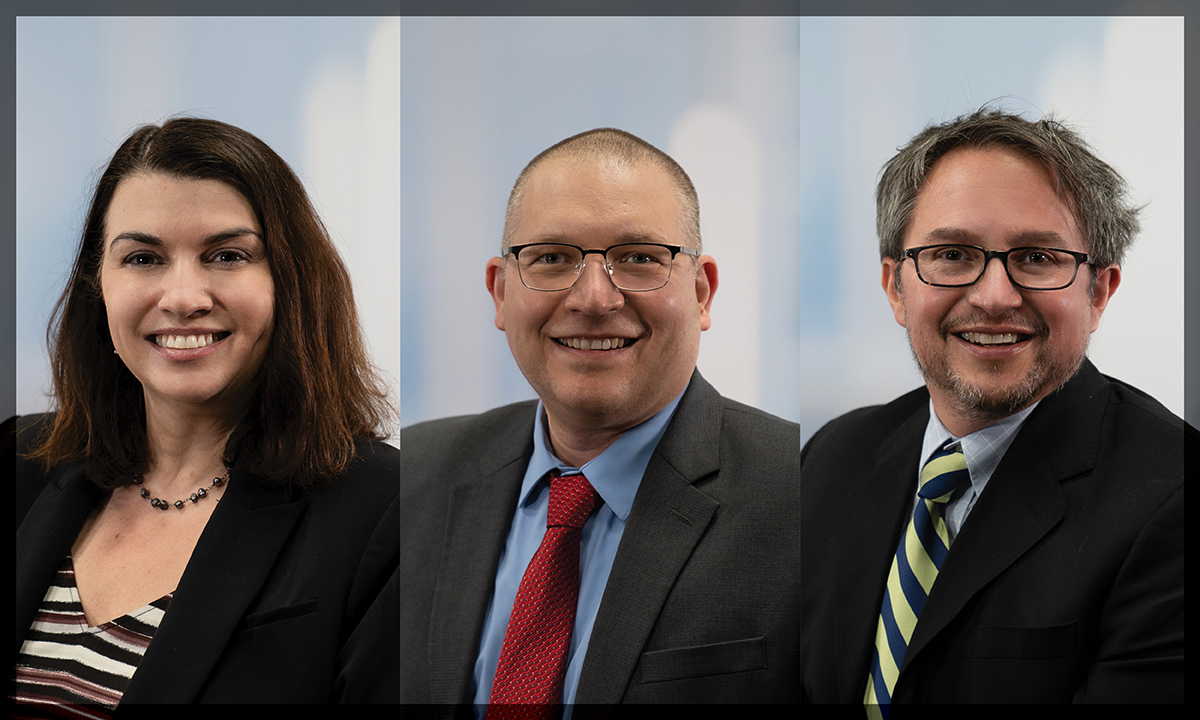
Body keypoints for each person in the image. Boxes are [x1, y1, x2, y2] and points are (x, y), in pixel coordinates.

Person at [799, 107, 1189, 705]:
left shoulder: (1173, 499)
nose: (994, 296)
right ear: (895, 287)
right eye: (952, 254)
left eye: (1037, 257)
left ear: (1100, 292)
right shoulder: (832, 458)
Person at [400, 128, 799, 709]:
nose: (593, 298)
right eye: (552, 258)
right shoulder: (411, 480)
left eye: (638, 258)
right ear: (499, 293)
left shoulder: (803, 494)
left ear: (702, 291)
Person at [7, 117, 398, 708]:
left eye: (226, 255)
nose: (185, 297)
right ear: (100, 285)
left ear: (290, 282)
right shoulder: (20, 458)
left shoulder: (385, 512)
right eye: (142, 258)